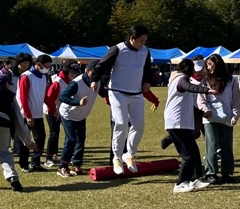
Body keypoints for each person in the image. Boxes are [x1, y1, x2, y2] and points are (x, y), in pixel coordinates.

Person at [91, 24, 152, 175]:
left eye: (145, 41)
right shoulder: (117, 49)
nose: (143, 44)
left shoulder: (145, 51)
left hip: (136, 93)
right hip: (117, 92)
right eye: (141, 41)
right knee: (121, 123)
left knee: (139, 125)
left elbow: (147, 69)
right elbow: (102, 65)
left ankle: (129, 154)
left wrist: (147, 81)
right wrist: (95, 80)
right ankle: (117, 157)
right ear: (132, 38)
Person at [164, 59, 218, 193]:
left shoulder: (178, 79)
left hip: (181, 122)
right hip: (176, 123)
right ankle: (180, 183)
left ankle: (196, 179)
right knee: (187, 155)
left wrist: (201, 113)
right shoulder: (181, 79)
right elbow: (190, 87)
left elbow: (187, 105)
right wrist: (207, 90)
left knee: (194, 151)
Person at [198, 54, 240, 185]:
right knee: (211, 145)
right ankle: (210, 173)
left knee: (227, 146)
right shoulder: (205, 80)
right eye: (207, 65)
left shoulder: (231, 81)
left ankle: (227, 173)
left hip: (227, 118)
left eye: (211, 64)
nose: (209, 67)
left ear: (218, 64)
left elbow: (236, 100)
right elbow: (201, 99)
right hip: (210, 118)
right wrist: (205, 110)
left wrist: (235, 116)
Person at [14, 54, 53, 172]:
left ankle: (35, 162)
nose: (47, 69)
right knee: (25, 140)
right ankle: (23, 164)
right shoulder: (26, 76)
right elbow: (23, 98)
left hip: (37, 113)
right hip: (25, 115)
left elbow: (45, 95)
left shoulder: (43, 77)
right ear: (38, 65)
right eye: (45, 66)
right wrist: (28, 115)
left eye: (49, 67)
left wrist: (52, 108)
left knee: (41, 138)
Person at [43, 60, 79, 168]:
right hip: (52, 109)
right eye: (72, 73)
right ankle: (49, 157)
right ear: (66, 71)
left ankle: (66, 156)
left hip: (64, 111)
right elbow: (49, 98)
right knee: (54, 133)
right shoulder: (58, 82)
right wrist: (53, 111)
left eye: (75, 74)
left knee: (70, 134)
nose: (74, 75)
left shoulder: (72, 81)